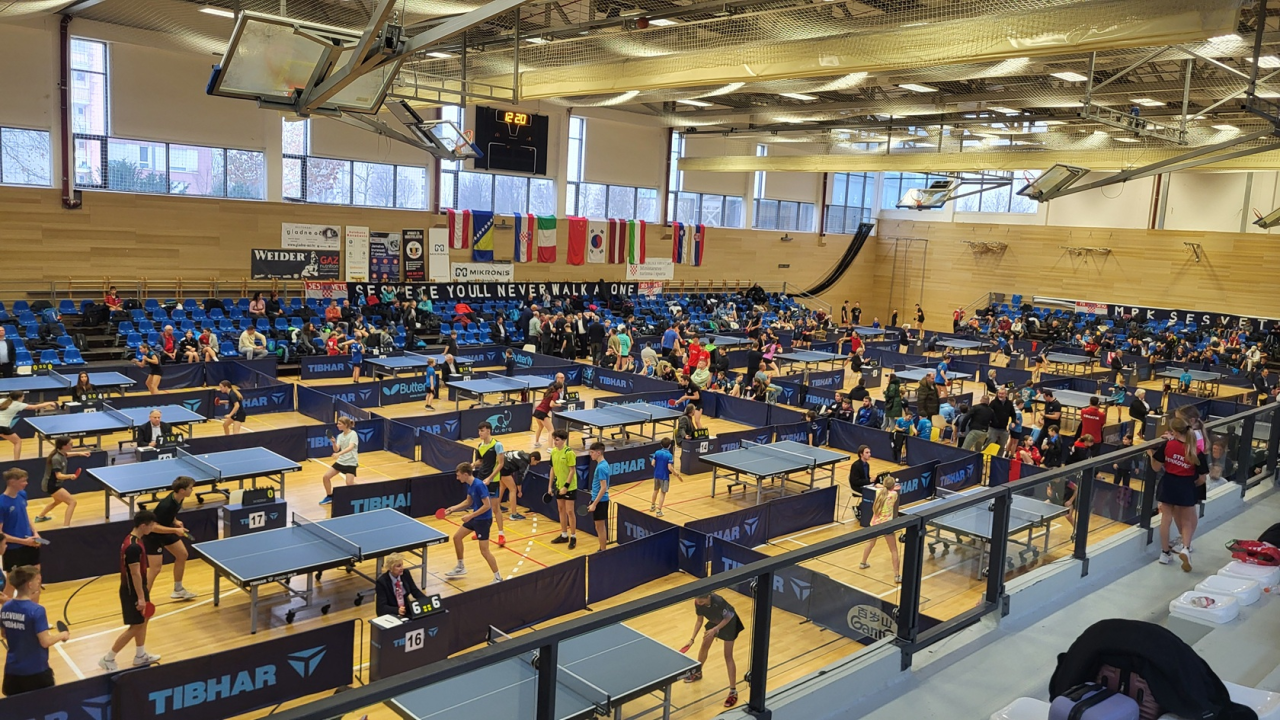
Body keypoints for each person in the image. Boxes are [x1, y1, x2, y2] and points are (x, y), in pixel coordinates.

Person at [99, 510, 161, 671]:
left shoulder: (133, 538)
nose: (153, 527)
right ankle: (108, 658)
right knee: (135, 626)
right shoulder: (133, 547)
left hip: (137, 589)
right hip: (132, 591)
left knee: (143, 621)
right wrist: (141, 597)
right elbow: (134, 574)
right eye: (151, 525)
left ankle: (140, 655)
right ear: (143, 525)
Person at [1149, 416, 1208, 571]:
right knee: (1187, 520)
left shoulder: (1168, 445)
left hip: (1168, 483)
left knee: (1166, 519)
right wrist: (1191, 484)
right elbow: (1202, 478)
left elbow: (1155, 467)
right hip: (1186, 485)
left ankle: (1164, 553)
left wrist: (1150, 456)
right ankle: (1186, 548)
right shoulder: (1196, 450)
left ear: (1174, 431)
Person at [1, 564, 67, 696]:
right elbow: (45, 641)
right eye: (37, 579)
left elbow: (4, 633)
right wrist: (62, 635)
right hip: (36, 671)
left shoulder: (5, 607)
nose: (39, 582)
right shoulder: (37, 610)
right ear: (29, 585)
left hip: (12, 671)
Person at [683, 593, 745, 708]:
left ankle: (733, 691)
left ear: (708, 597)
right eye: (697, 600)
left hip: (729, 624)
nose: (699, 603)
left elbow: (728, 617)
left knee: (728, 655)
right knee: (704, 646)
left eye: (701, 601)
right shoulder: (698, 602)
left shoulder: (719, 601)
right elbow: (699, 621)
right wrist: (692, 639)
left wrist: (715, 630)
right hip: (715, 622)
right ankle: (698, 672)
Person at [442, 463, 502, 583]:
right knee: (457, 538)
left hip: (483, 520)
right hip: (475, 518)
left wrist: (470, 516)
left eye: (458, 476)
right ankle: (460, 567)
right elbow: (468, 502)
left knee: (484, 551)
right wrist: (453, 508)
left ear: (465, 474)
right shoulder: (469, 485)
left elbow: (487, 505)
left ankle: (498, 577)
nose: (457, 478)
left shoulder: (479, 485)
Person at [144, 477, 197, 599]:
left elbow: (170, 515)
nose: (192, 490)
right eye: (190, 488)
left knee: (182, 555)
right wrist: (175, 530)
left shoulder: (179, 498)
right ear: (182, 490)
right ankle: (143, 598)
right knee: (155, 569)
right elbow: (153, 527)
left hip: (166, 530)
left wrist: (175, 521)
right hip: (153, 536)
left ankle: (178, 590)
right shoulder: (166, 505)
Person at [33, 437, 90, 526]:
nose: (72, 445)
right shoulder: (56, 458)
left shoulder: (60, 453)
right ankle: (66, 526)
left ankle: (40, 517)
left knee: (57, 501)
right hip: (52, 485)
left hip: (51, 483)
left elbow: (67, 455)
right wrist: (70, 476)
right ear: (64, 446)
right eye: (70, 444)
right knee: (72, 502)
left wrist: (80, 453)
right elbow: (58, 476)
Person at [858, 475, 902, 582]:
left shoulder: (878, 492)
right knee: (894, 550)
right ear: (892, 486)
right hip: (887, 525)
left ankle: (863, 563)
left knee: (871, 543)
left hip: (875, 523)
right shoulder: (894, 494)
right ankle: (897, 576)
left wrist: (884, 486)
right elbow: (894, 489)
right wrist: (893, 487)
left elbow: (882, 488)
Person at [1, 470, 41, 578]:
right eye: (23, 481)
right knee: (12, 584)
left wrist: (35, 533)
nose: (26, 483)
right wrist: (23, 541)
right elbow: (0, 534)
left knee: (35, 579)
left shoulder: (22, 494)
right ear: (13, 482)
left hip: (30, 543)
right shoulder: (1, 504)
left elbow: (25, 514)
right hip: (13, 549)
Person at [473, 421, 507, 545]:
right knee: (479, 506)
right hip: (481, 479)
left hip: (492, 481)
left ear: (488, 431)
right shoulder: (480, 445)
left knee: (495, 508)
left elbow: (501, 464)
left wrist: (490, 478)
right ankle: (479, 531)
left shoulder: (497, 445)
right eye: (479, 431)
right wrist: (472, 464)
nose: (480, 433)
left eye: (482, 431)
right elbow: (481, 461)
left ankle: (501, 535)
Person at [546, 430, 579, 549]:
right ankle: (564, 535)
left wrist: (566, 486)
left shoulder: (569, 453)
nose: (555, 442)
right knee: (561, 510)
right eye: (554, 439)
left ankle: (573, 536)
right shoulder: (554, 452)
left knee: (570, 511)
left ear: (563, 440)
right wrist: (550, 486)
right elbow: (552, 469)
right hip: (558, 486)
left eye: (557, 440)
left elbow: (572, 471)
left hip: (570, 487)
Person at [0, 393, 56, 461]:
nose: (23, 398)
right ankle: (16, 461)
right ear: (19, 398)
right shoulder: (19, 405)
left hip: (2, 426)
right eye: (23, 397)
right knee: (18, 441)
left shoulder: (2, 400)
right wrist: (49, 403)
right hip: (2, 426)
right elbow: (34, 407)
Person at [375, 552, 430, 618]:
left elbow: (415, 591)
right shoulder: (382, 582)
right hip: (392, 614)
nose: (402, 568)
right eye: (398, 566)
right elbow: (381, 608)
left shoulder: (405, 573)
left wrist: (427, 601)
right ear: (390, 568)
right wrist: (397, 610)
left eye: (402, 565)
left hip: (406, 610)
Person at [320, 416, 359, 505]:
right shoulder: (340, 436)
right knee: (326, 477)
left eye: (339, 424)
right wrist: (334, 442)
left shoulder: (353, 434)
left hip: (351, 462)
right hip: (341, 461)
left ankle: (362, 489)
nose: (337, 425)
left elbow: (350, 447)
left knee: (349, 483)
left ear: (345, 425)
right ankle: (329, 496)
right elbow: (336, 449)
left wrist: (338, 454)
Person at [498, 448, 540, 521]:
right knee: (513, 489)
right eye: (536, 462)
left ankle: (497, 506)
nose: (535, 464)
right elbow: (519, 477)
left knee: (503, 486)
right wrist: (519, 491)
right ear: (533, 458)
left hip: (499, 462)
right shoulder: (524, 463)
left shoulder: (523, 454)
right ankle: (514, 514)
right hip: (504, 467)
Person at [586, 442, 610, 553]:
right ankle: (602, 548)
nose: (590, 455)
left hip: (600, 501)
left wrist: (594, 504)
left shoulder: (601, 467)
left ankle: (603, 551)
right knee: (599, 527)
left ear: (598, 452)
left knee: (600, 528)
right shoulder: (604, 464)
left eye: (592, 452)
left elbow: (603, 487)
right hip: (599, 500)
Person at [649, 437, 681, 516]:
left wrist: (658, 468)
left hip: (656, 475)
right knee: (662, 493)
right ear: (670, 446)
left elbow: (652, 463)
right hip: (664, 477)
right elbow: (669, 467)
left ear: (661, 444)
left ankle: (652, 506)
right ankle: (658, 511)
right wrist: (675, 473)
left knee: (655, 490)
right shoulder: (669, 455)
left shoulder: (657, 452)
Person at [532, 382, 563, 448]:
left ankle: (537, 443)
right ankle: (550, 448)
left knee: (540, 427)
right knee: (551, 430)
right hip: (542, 413)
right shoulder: (556, 394)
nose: (562, 390)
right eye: (562, 388)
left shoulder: (548, 392)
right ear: (559, 389)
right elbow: (551, 405)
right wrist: (558, 405)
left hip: (537, 411)